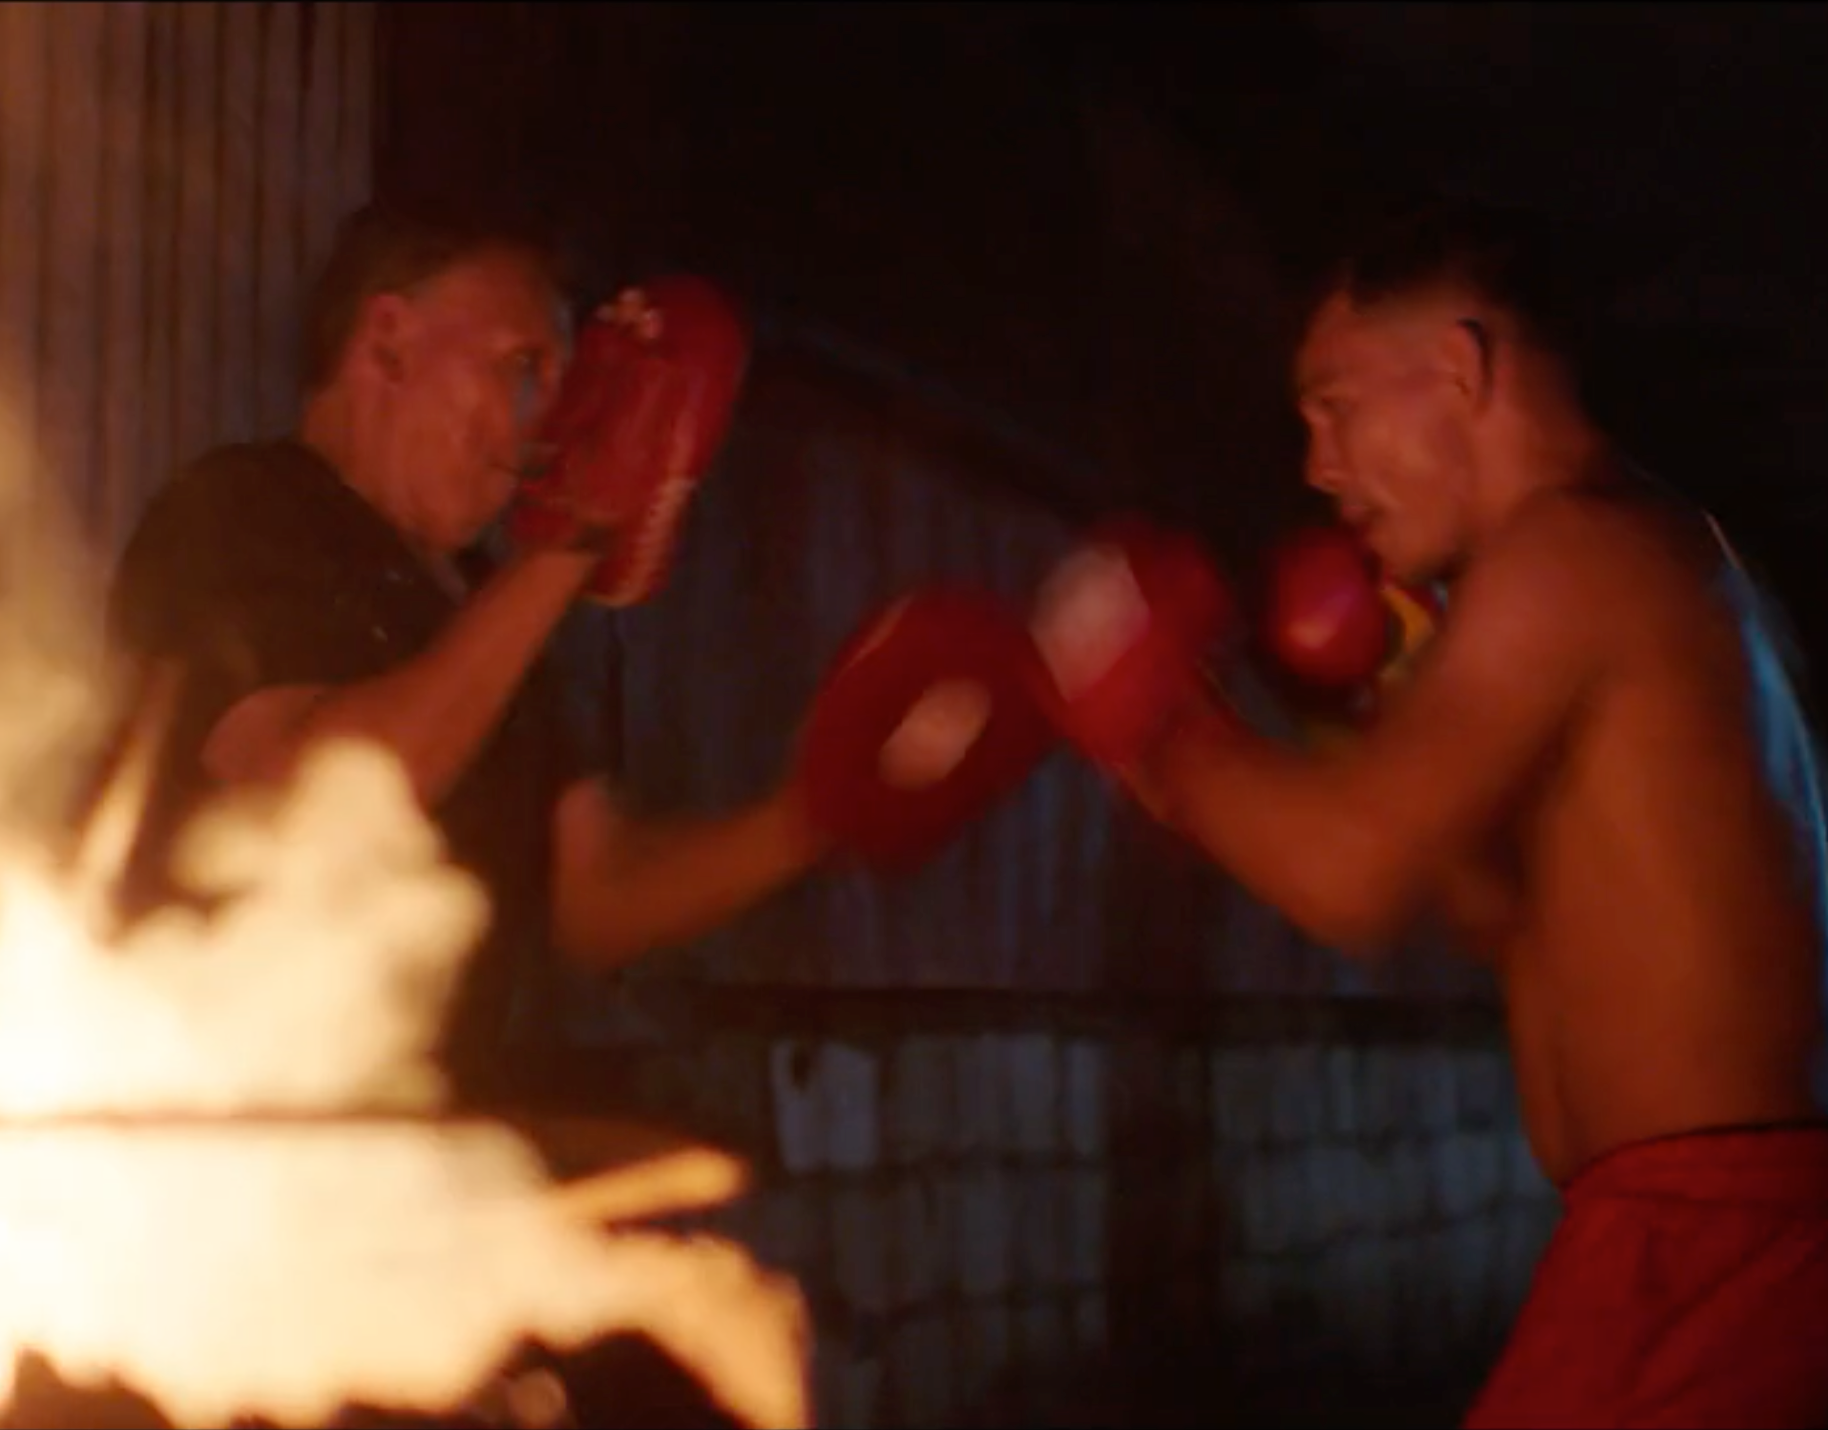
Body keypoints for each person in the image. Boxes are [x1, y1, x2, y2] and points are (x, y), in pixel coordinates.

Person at [1032, 197, 1828, 1427]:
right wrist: (1372, 703)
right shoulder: (1646, 550)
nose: (1317, 465)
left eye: (1336, 405)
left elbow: (1348, 876)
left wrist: (1154, 714)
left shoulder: (1565, 554)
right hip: (1692, 1235)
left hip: (1707, 1239)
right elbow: (1491, 911)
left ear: (1457, 370)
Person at [103, 201, 831, 1104]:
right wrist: (576, 533)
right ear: (388, 343)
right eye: (522, 367)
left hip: (426, 1144)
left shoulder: (489, 600)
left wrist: (818, 813)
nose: (547, 422)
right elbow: (327, 798)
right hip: (226, 1128)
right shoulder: (235, 512)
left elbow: (593, 898)